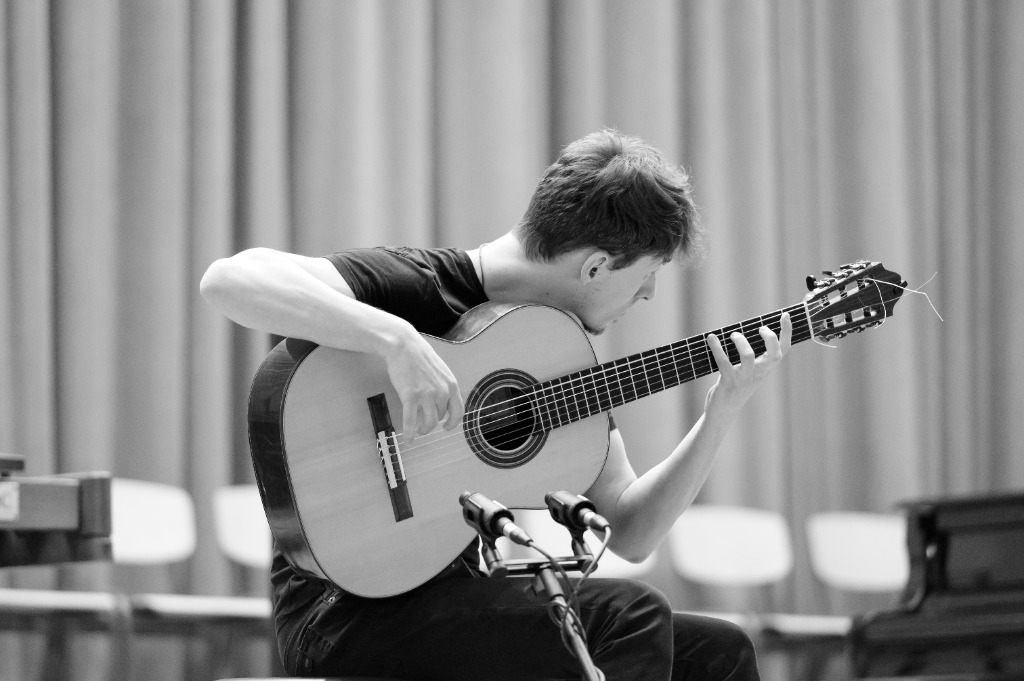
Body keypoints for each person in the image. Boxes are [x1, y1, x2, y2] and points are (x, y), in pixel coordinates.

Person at [200, 129, 791, 681]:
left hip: (458, 607)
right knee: (631, 616)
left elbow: (631, 530)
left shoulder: (555, 352)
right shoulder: (421, 284)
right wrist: (395, 339)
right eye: (648, 273)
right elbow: (229, 280)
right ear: (595, 266)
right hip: (345, 611)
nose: (649, 293)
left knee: (718, 651)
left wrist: (721, 412)